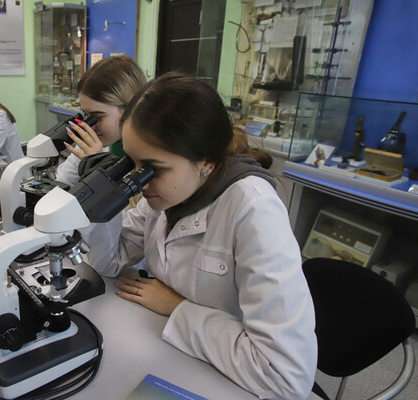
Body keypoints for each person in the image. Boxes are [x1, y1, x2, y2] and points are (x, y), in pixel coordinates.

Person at [86, 73, 317, 399]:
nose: (139, 181)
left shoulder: (254, 209)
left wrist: (178, 308)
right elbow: (108, 262)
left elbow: (284, 376)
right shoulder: (166, 195)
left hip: (237, 380)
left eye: (153, 168)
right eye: (132, 164)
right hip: (179, 355)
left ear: (206, 160)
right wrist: (103, 197)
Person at [54, 55, 147, 186]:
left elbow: (137, 199)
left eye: (97, 117)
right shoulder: (92, 142)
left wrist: (98, 168)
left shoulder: (151, 153)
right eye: (86, 115)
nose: (90, 127)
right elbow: (63, 183)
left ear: (129, 109)